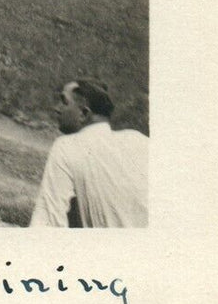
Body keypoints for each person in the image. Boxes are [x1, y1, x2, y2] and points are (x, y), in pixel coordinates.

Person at [30, 81, 149, 228]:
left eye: (64, 102)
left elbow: (48, 223)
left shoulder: (66, 146)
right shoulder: (139, 141)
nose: (56, 109)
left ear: (83, 113)